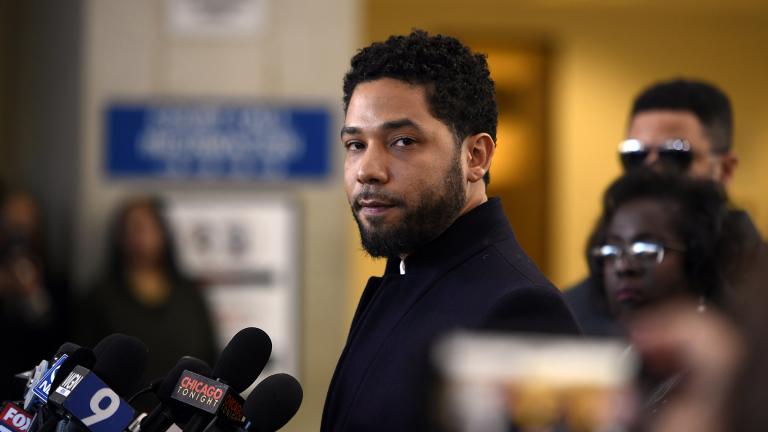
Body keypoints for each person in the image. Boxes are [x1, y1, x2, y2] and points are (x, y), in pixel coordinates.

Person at [322, 30, 580, 432]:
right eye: (355, 144)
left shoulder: (519, 310)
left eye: (403, 141)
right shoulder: (405, 276)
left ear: (475, 156)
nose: (367, 170)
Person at [565, 78, 764, 336]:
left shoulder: (758, 292)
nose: (652, 170)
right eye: (635, 156)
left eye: (674, 156)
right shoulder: (575, 310)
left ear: (726, 169)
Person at [75, 196, 217, 387]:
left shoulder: (189, 294)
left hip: (184, 409)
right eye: (133, 229)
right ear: (119, 237)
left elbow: (210, 355)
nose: (141, 237)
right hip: (119, 409)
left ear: (163, 233)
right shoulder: (99, 297)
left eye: (148, 227)